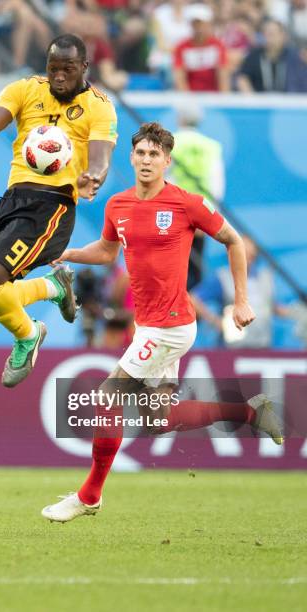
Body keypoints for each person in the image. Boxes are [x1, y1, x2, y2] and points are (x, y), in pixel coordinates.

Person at [42, 122, 283, 523]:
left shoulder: (186, 203)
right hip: (149, 324)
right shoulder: (117, 205)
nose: (147, 160)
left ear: (167, 161)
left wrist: (240, 300)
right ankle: (253, 413)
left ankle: (89, 496)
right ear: (132, 158)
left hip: (171, 326)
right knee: (159, 420)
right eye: (141, 153)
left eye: (156, 154)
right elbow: (105, 251)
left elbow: (233, 240)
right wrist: (68, 253)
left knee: (106, 397)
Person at [0, 33, 117, 388]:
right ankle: (53, 287)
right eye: (53, 68)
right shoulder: (24, 89)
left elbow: (102, 154)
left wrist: (94, 176)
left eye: (68, 69)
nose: (59, 76)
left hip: (53, 207)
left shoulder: (99, 105)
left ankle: (28, 336)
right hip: (13, 201)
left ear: (84, 67)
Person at [167, 101, 225, 290]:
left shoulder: (171, 142)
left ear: (180, 118)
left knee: (172, 265)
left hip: (175, 212)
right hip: (201, 212)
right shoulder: (211, 146)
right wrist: (210, 215)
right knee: (195, 268)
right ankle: (193, 313)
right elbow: (216, 184)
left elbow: (166, 179)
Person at [237, 19, 307, 93]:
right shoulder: (254, 55)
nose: (270, 39)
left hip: (289, 101)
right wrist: (251, 99)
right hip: (260, 101)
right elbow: (243, 78)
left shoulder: (295, 56)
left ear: (283, 36)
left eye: (273, 34)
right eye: (267, 34)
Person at [174, 3, 230, 92]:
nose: (198, 28)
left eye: (201, 24)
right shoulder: (182, 47)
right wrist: (186, 99)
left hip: (214, 96)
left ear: (208, 24)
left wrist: (223, 98)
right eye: (195, 24)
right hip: (191, 97)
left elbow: (223, 74)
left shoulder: (217, 45)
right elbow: (179, 76)